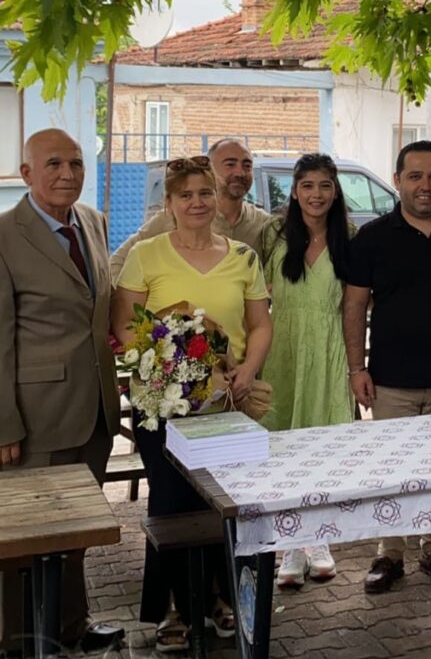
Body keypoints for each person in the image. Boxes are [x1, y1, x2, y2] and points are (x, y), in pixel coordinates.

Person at [111, 155, 272, 652]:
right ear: (169, 203)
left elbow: (260, 324)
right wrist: (174, 367)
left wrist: (246, 370)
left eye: (205, 193)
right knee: (171, 504)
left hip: (225, 404)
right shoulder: (146, 254)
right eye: (186, 195)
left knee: (222, 502)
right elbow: (125, 326)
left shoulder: (243, 256)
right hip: (161, 402)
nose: (197, 202)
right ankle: (172, 610)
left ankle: (220, 598)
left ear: (217, 199)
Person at [0, 129, 121, 654]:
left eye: (75, 163)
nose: (67, 174)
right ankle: (16, 640)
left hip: (95, 411)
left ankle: (73, 625)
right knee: (22, 539)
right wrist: (4, 423)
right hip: (35, 417)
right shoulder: (5, 234)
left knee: (76, 531)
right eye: (53, 164)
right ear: (26, 172)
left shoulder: (93, 222)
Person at [343, 140, 431, 594]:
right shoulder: (372, 237)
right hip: (390, 379)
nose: (425, 186)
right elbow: (354, 307)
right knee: (390, 470)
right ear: (397, 180)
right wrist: (356, 368)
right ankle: (389, 555)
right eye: (415, 176)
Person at [262, 153, 354, 588]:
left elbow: (359, 302)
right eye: (307, 186)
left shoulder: (350, 238)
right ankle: (290, 546)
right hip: (283, 352)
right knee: (283, 450)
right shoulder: (275, 236)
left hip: (330, 351)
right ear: (295, 191)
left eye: (325, 186)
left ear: (335, 192)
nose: (316, 195)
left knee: (323, 449)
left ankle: (318, 539)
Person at [110, 138, 271, 283]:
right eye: (230, 164)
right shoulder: (175, 218)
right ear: (210, 170)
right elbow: (118, 262)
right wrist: (131, 301)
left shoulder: (264, 224)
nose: (240, 172)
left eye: (247, 166)